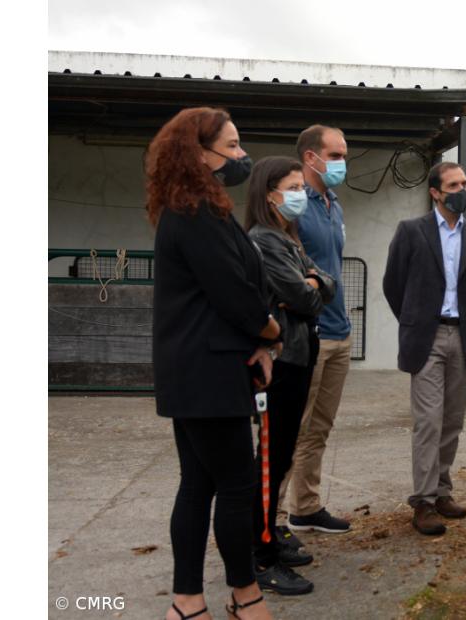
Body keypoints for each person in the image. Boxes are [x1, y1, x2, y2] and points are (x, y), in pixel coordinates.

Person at [147, 107, 278, 620]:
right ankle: (244, 595)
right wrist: (270, 332)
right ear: (200, 154)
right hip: (207, 372)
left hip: (202, 369)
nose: (242, 155)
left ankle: (187, 602)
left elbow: (240, 283)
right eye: (233, 145)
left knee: (199, 484)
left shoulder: (200, 210)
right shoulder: (194, 214)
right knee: (235, 485)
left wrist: (264, 341)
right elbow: (235, 294)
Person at [382, 161, 466, 536]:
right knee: (428, 421)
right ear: (435, 192)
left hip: (462, 336)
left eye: (464, 182)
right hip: (425, 338)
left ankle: (442, 490)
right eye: (453, 184)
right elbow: (393, 284)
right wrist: (415, 319)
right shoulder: (411, 231)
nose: (461, 189)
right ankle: (424, 501)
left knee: (452, 420)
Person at [245, 156, 336, 596]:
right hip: (279, 362)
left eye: (303, 186)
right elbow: (304, 296)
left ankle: (269, 534)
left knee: (280, 454)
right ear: (270, 193)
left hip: (300, 353)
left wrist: (315, 283)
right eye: (294, 187)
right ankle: (259, 554)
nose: (302, 194)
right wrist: (314, 283)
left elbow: (326, 285)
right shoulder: (264, 240)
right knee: (270, 457)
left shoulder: (288, 238)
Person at [281, 125, 354, 536]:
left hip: (339, 330)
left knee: (319, 428)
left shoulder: (334, 203)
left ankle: (305, 507)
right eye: (337, 155)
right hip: (309, 333)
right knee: (293, 428)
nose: (343, 163)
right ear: (312, 157)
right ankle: (269, 525)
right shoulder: (294, 205)